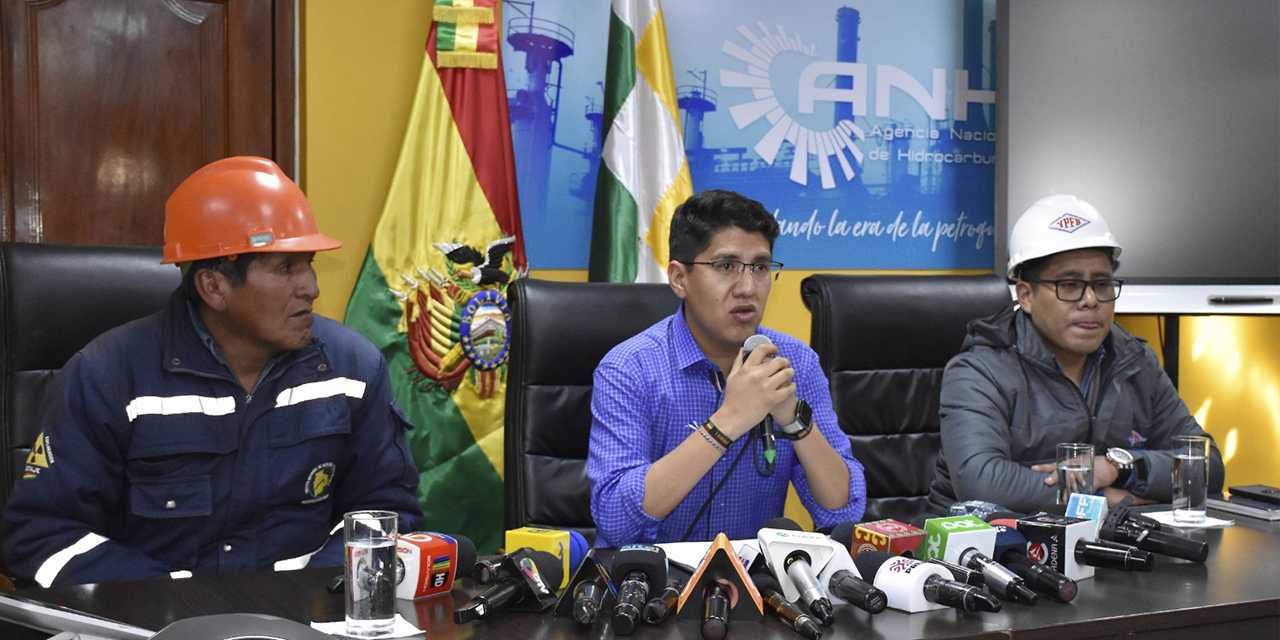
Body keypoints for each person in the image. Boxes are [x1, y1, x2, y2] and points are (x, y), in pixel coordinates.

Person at [2, 157, 423, 586]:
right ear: (213, 287)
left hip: (306, 620)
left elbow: (387, 514)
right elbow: (41, 538)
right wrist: (177, 605)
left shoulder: (352, 370)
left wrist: (313, 595)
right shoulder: (107, 378)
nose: (311, 286)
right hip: (154, 627)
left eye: (309, 262)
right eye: (285, 268)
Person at [588, 189, 866, 547]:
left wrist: (795, 419)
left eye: (761, 268)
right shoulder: (628, 369)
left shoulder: (794, 363)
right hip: (652, 587)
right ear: (679, 278)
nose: (748, 288)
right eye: (725, 267)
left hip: (757, 588)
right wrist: (729, 420)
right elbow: (614, 521)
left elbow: (842, 513)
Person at [927, 194, 1225, 514]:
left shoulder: (1136, 362)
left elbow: (1207, 466)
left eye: (1102, 284)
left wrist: (1116, 469)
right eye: (1069, 285)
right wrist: (1100, 501)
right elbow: (981, 483)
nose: (1091, 300)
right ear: (1025, 295)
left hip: (1108, 549)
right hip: (987, 552)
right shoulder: (979, 369)